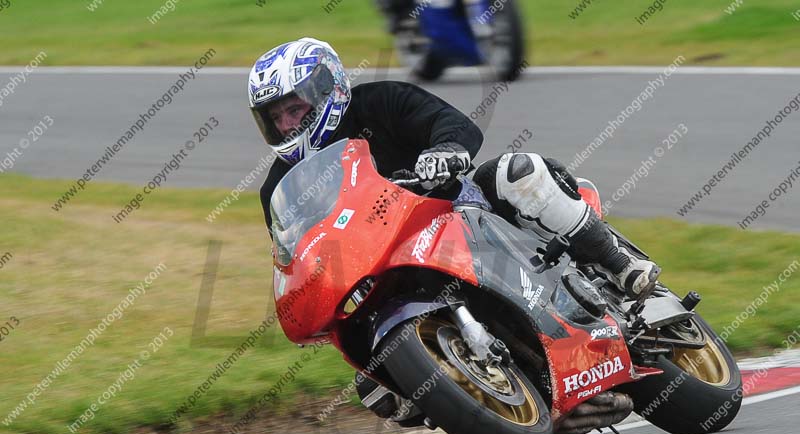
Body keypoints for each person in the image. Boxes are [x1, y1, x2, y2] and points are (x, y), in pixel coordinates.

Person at [250, 37, 660, 300]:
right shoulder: (277, 187)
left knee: (518, 172)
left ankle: (618, 263)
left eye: (294, 108)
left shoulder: (381, 101)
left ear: (328, 88)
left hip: (460, 211)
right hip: (384, 262)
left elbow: (451, 123)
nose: (287, 125)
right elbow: (296, 255)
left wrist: (444, 151)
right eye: (276, 117)